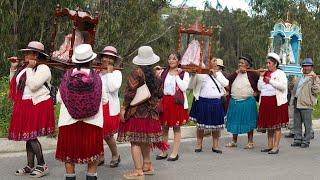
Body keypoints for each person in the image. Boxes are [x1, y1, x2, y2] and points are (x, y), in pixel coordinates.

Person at [55, 44, 105, 180]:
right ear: (91, 61)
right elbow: (104, 100)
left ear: (76, 60)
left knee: (69, 156)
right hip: (93, 123)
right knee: (92, 157)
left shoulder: (67, 77)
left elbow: (59, 98)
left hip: (68, 123)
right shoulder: (97, 78)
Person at [117, 46, 167, 179]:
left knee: (135, 142)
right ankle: (147, 165)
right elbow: (161, 94)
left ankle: (138, 171)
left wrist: (123, 108)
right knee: (145, 140)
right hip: (151, 114)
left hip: (137, 113)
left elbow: (129, 93)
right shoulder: (157, 77)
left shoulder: (136, 73)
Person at [8, 41, 55, 178]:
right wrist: (13, 69)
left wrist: (29, 68)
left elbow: (34, 85)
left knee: (32, 136)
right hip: (24, 104)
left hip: (37, 104)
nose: (26, 55)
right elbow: (14, 85)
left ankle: (42, 165)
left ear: (37, 55)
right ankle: (30, 165)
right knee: (27, 136)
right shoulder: (24, 68)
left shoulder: (44, 68)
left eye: (29, 53)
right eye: (26, 53)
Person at [189, 58, 229, 153]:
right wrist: (194, 75)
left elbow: (226, 83)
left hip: (216, 102)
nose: (215, 65)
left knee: (216, 126)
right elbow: (190, 86)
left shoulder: (219, 74)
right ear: (208, 64)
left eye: (217, 64)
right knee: (200, 126)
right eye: (213, 63)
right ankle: (199, 145)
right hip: (202, 101)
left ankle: (215, 146)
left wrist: (215, 75)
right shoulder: (200, 74)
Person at [156, 52, 190, 161]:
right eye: (169, 58)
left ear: (178, 61)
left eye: (174, 59)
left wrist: (176, 76)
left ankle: (175, 153)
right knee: (164, 128)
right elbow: (158, 85)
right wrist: (156, 73)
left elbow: (184, 87)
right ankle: (164, 151)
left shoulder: (183, 73)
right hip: (165, 101)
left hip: (176, 102)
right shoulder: (164, 72)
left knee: (176, 128)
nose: (171, 60)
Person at [225, 54, 259, 149]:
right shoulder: (235, 74)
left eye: (242, 63)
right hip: (235, 101)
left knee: (249, 121)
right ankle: (234, 141)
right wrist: (236, 72)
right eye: (239, 63)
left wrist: (257, 92)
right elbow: (226, 80)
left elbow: (260, 83)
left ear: (247, 65)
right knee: (234, 120)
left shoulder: (252, 74)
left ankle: (250, 142)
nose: (240, 65)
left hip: (248, 101)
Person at [257, 52, 289, 154]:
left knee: (276, 125)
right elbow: (259, 88)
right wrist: (261, 77)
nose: (267, 65)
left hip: (276, 102)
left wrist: (270, 81)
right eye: (267, 63)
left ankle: (276, 146)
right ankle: (270, 145)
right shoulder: (265, 73)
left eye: (269, 63)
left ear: (275, 64)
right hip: (265, 102)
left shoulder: (280, 73)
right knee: (269, 125)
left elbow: (283, 87)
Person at [98, 46, 121, 167]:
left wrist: (109, 73)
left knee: (107, 134)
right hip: (97, 105)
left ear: (114, 60)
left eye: (110, 58)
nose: (106, 59)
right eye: (105, 57)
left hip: (109, 105)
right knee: (97, 133)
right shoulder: (97, 71)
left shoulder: (117, 73)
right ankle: (100, 155)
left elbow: (113, 88)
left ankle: (115, 155)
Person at [290, 58, 320, 148]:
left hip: (306, 104)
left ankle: (306, 141)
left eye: (308, 66)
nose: (306, 68)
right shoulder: (301, 77)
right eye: (304, 66)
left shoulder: (314, 77)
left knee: (307, 124)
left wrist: (314, 80)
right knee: (297, 123)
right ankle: (297, 139)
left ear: (311, 67)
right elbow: (295, 89)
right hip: (297, 102)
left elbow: (317, 90)